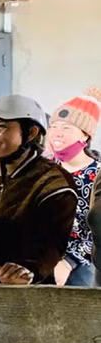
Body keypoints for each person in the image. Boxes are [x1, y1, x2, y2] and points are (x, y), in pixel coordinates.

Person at [0, 95, 77, 285]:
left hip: (24, 294)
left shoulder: (53, 181)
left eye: (1, 126)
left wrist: (27, 273)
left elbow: (51, 247)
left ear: (30, 133)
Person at [46, 88, 101, 286]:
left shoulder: (97, 174)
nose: (57, 133)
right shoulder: (45, 170)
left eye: (66, 128)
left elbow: (97, 230)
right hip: (44, 260)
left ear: (85, 136)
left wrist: (69, 262)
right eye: (54, 126)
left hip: (84, 266)